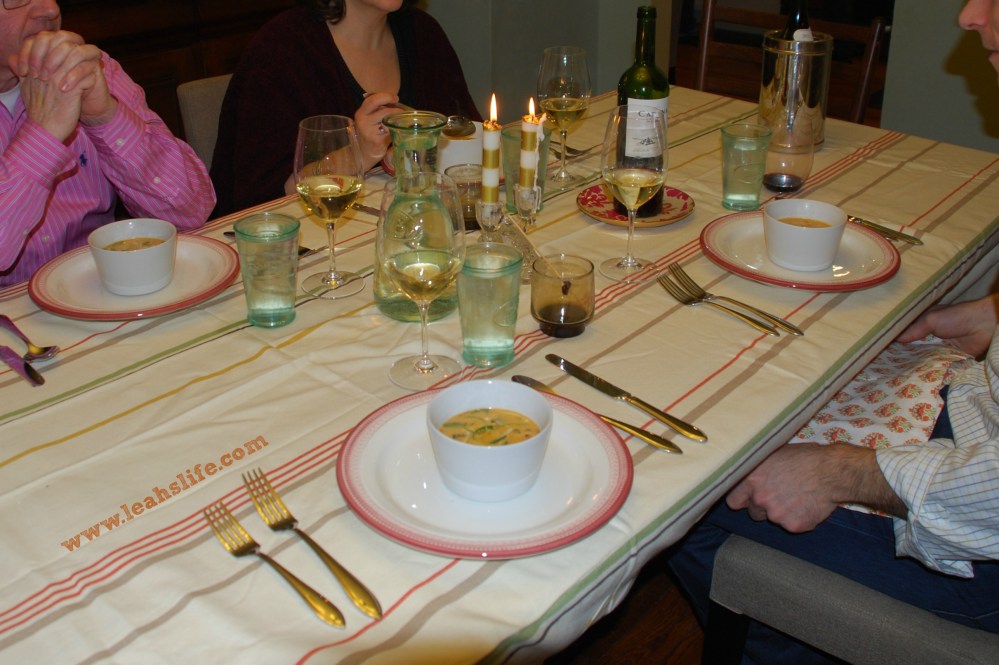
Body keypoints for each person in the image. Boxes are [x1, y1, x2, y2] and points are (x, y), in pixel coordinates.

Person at [668, 2, 999, 661]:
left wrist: (839, 472)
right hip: (971, 428)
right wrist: (987, 315)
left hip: (979, 562)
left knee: (680, 496)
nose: (968, 14)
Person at [0, 0, 215, 286]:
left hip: (104, 294)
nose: (50, 9)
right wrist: (44, 133)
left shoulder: (88, 69)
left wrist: (103, 115)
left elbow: (192, 211)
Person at [210, 0, 482, 217]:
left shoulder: (423, 33)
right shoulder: (280, 52)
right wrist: (360, 151)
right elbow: (261, 200)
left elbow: (469, 137)